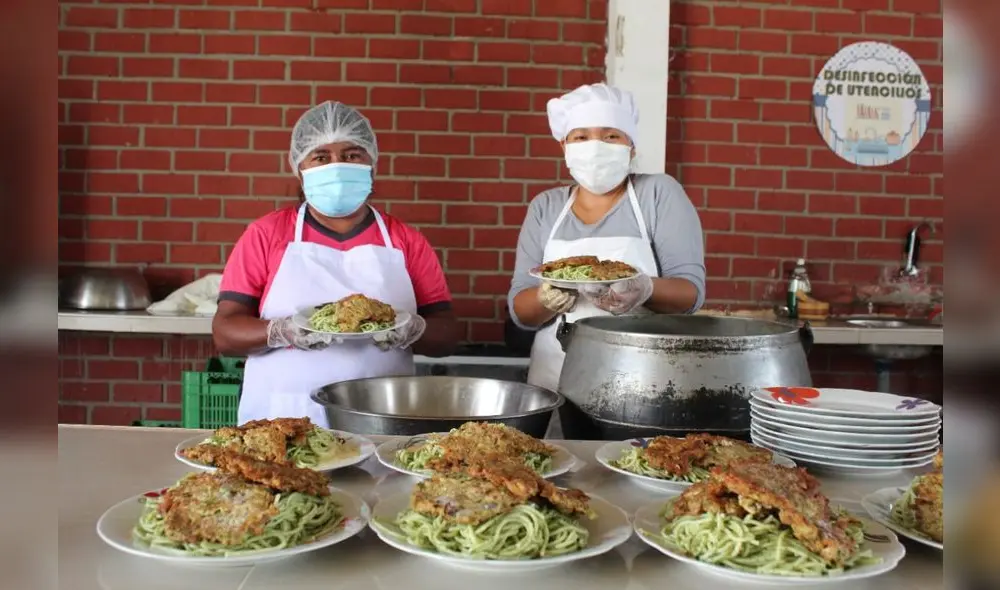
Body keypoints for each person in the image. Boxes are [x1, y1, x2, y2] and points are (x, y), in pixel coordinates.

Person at [213, 101, 458, 427]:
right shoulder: (267, 234)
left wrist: (414, 330)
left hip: (381, 418)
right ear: (299, 167)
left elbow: (447, 335)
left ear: (372, 163)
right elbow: (225, 333)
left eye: (352, 155)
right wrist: (282, 330)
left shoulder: (405, 240)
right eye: (321, 156)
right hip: (284, 417)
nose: (337, 166)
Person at [508, 83, 706, 396]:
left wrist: (645, 288)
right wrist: (546, 299)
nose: (596, 145)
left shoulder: (658, 194)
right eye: (581, 136)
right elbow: (520, 310)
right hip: (555, 373)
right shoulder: (546, 207)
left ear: (632, 146)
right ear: (565, 147)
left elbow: (690, 293)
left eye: (611, 135)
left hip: (641, 373)